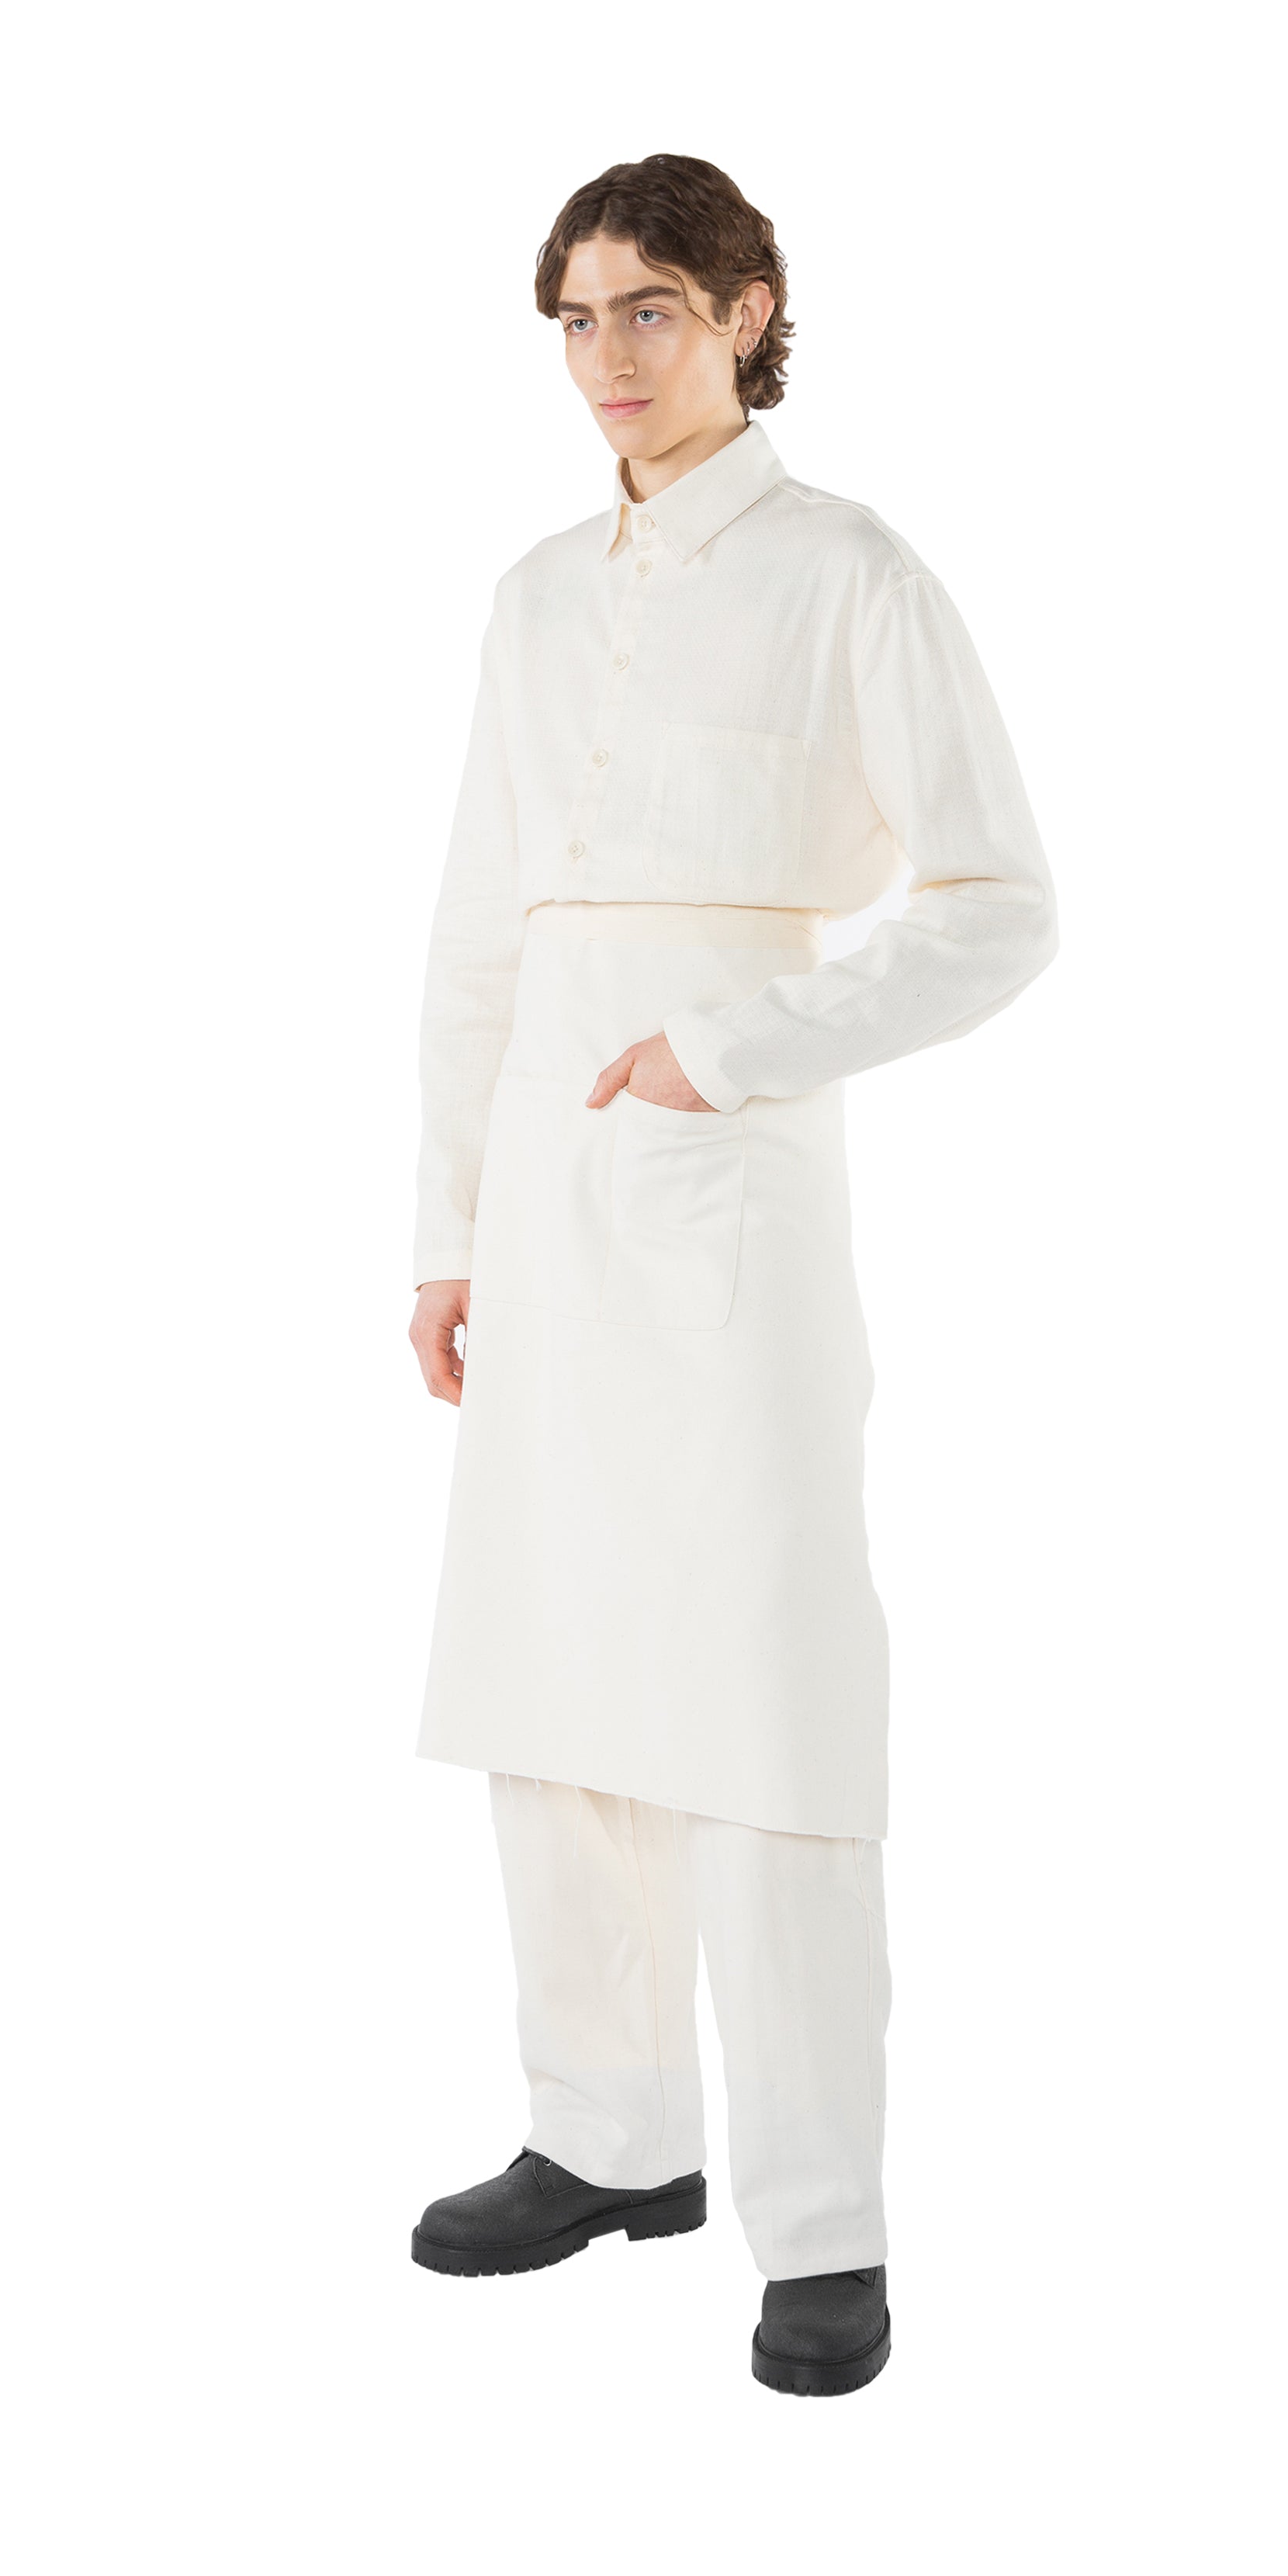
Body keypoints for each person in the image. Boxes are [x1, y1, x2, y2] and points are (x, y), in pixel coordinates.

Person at [405, 154, 1056, 2395]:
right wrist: (445, 1231)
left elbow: (996, 904)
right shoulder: (526, 602)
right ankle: (606, 2138)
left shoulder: (845, 574)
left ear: (750, 311)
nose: (610, 354)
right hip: (539, 1204)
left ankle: (823, 2226)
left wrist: (732, 1047)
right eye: (578, 315)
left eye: (655, 308)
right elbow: (476, 937)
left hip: (730, 1199)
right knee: (546, 1672)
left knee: (765, 1699)